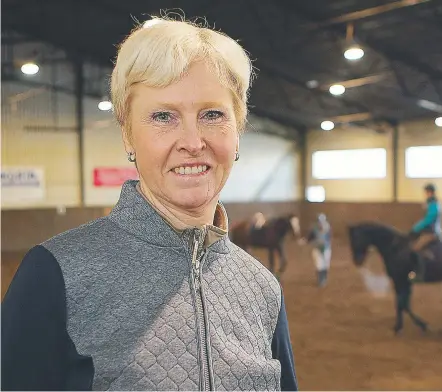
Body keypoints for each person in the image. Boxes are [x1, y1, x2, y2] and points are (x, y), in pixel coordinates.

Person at [1, 17, 297, 391]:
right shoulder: (55, 274)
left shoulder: (263, 288)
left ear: (236, 133)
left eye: (212, 115)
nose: (192, 141)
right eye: (163, 116)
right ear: (128, 136)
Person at [408, 183, 442, 282]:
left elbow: (428, 219)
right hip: (432, 231)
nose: (425, 194)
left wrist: (415, 228)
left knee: (415, 248)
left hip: (432, 233)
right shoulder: (434, 202)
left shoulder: (433, 203)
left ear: (429, 192)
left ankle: (420, 274)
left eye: (426, 192)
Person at [306, 213, 332, 287]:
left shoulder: (327, 227)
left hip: (326, 248)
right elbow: (309, 238)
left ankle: (324, 278)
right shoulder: (313, 229)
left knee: (326, 264)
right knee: (319, 265)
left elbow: (329, 238)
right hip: (317, 249)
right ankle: (320, 280)